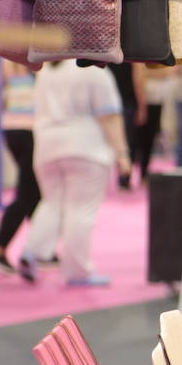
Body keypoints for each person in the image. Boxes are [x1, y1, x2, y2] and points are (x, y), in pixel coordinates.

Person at [22, 61, 131, 286]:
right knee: (80, 210)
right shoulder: (93, 70)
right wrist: (122, 153)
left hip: (46, 146)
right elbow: (109, 116)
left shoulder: (47, 71)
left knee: (52, 203)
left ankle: (32, 252)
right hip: (85, 147)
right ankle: (77, 272)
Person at [0, 61, 42, 279]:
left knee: (34, 193)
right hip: (31, 128)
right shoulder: (37, 57)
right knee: (27, 193)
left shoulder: (5, 60)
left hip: (11, 127)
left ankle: (40, 250)